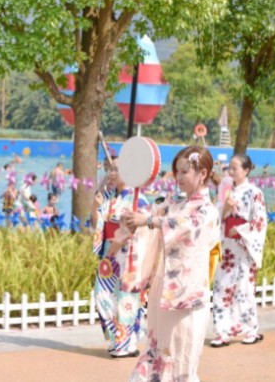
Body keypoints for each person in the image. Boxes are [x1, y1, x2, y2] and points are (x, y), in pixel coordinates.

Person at [119, 145, 221, 381]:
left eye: (185, 171)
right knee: (155, 351)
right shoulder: (172, 204)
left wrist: (148, 220)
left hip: (187, 297)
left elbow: (179, 224)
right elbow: (152, 216)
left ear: (202, 173)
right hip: (162, 289)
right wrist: (133, 218)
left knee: (181, 363)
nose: (179, 177)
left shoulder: (207, 211)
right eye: (177, 171)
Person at [92, 155, 149, 358]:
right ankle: (121, 338)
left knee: (127, 297)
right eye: (111, 169)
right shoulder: (110, 199)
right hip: (109, 252)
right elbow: (97, 224)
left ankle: (126, 343)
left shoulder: (138, 199)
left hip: (126, 254)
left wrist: (115, 246)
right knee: (102, 295)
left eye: (116, 169)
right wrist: (95, 205)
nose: (112, 173)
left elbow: (134, 229)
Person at [211, 154, 267, 347]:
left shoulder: (254, 192)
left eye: (235, 168)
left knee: (244, 290)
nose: (231, 171)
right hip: (228, 245)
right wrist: (225, 208)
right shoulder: (226, 190)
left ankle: (249, 330)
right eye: (230, 167)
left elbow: (259, 221)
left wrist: (242, 229)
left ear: (246, 170)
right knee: (221, 287)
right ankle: (221, 332)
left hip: (244, 247)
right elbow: (215, 217)